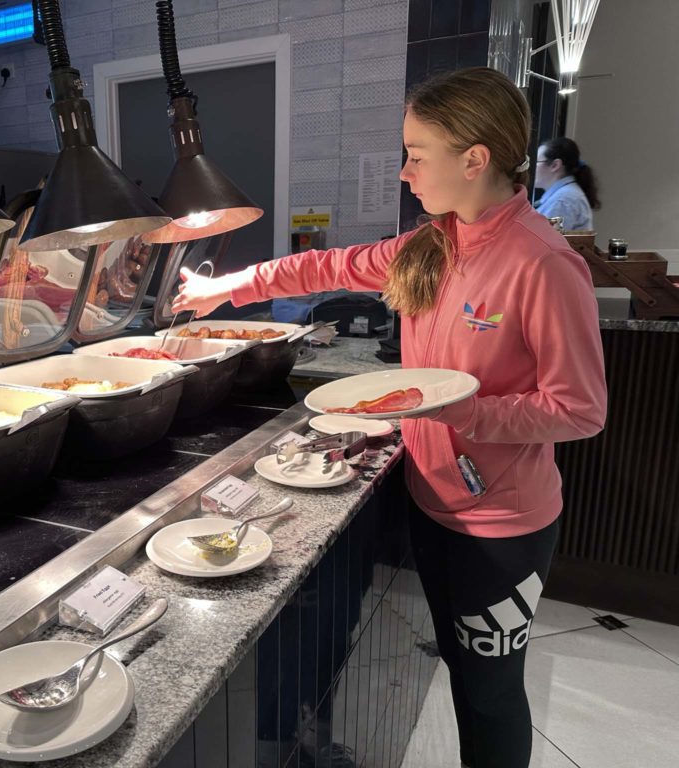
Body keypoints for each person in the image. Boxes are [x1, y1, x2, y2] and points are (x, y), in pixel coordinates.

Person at [173, 67, 607, 768]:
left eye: (416, 154)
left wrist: (464, 412)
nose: (404, 172)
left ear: (475, 159)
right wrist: (229, 286)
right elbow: (328, 267)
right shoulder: (433, 245)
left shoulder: (544, 263)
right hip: (429, 504)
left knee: (489, 693)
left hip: (502, 524)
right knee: (459, 668)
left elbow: (579, 410)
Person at [534, 137, 600, 231]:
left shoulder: (563, 201)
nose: (532, 167)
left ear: (555, 165)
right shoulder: (564, 196)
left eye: (536, 162)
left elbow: (543, 238)